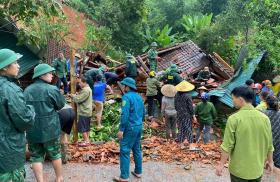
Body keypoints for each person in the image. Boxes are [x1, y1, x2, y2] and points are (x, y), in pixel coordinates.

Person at [216, 86, 274, 182]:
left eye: (233, 98)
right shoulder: (265, 119)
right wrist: (270, 161)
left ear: (240, 99)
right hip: (257, 170)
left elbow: (227, 145)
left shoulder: (234, 119)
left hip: (239, 170)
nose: (232, 101)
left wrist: (221, 164)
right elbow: (269, 143)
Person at [24, 64, 65, 182]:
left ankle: (40, 181)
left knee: (36, 157)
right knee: (55, 154)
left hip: (33, 130)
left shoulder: (27, 90)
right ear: (42, 75)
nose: (52, 75)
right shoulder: (52, 89)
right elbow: (61, 105)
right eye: (50, 73)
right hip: (50, 129)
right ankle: (59, 178)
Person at [0, 49, 35, 182]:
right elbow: (25, 121)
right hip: (8, 153)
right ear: (4, 67)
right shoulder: (9, 89)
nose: (19, 65)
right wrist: (30, 109)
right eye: (15, 62)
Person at [114, 77, 145, 182]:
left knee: (125, 150)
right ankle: (138, 171)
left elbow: (125, 114)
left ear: (127, 87)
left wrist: (121, 129)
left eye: (124, 85)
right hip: (138, 126)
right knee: (137, 149)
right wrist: (140, 122)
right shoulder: (139, 97)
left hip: (130, 127)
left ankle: (124, 176)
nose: (123, 87)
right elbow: (143, 112)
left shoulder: (126, 97)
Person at [71, 76, 93, 147]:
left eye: (80, 83)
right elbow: (81, 96)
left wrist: (73, 96)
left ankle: (86, 141)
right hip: (87, 111)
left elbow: (79, 99)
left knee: (82, 127)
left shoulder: (86, 90)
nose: (79, 84)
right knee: (86, 127)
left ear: (84, 82)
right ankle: (87, 140)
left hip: (84, 111)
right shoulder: (87, 89)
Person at [264, 96, 280, 181]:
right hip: (278, 139)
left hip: (265, 139)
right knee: (277, 162)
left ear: (266, 103)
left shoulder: (263, 113)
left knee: (262, 156)